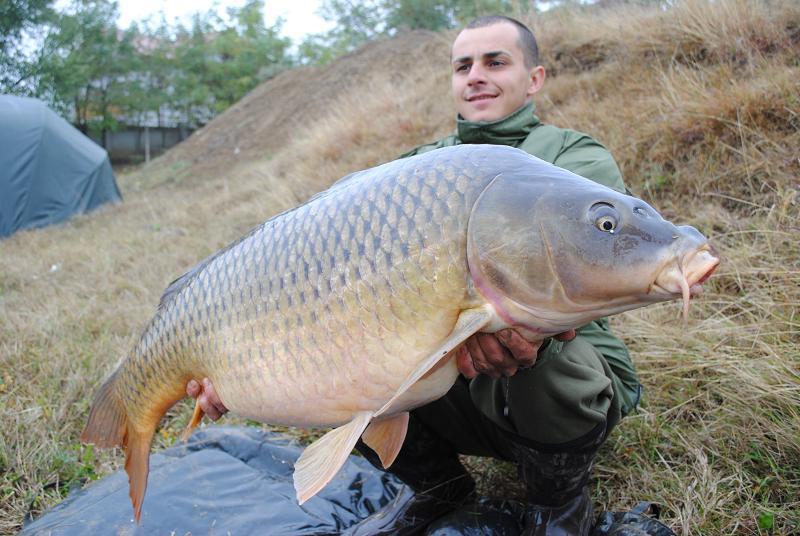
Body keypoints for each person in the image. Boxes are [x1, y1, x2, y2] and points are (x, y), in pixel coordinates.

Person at [187, 15, 641, 535]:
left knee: (527, 331)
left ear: (534, 78)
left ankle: (557, 502)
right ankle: (438, 488)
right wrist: (236, 371)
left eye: (496, 62)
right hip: (449, 374)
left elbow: (597, 266)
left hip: (566, 378)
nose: (476, 75)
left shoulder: (572, 158)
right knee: (349, 355)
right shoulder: (419, 167)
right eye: (463, 65)